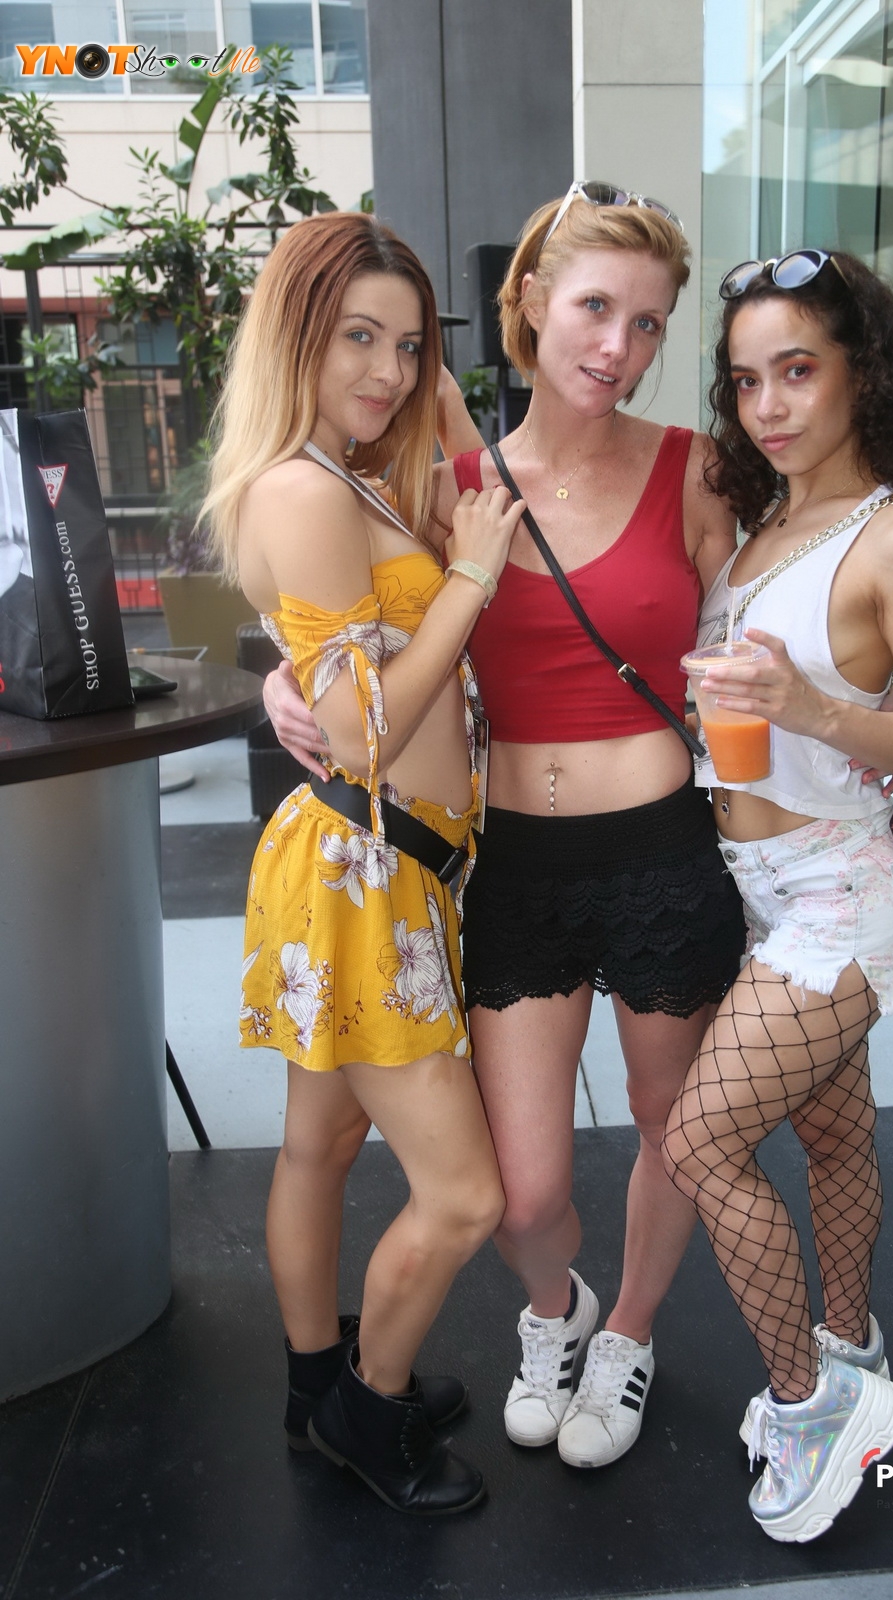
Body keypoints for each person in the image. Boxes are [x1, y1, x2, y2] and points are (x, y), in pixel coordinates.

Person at [263, 182, 748, 1470]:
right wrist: (274, 680)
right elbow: (335, 606)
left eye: (649, 323)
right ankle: (555, 1310)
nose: (618, 346)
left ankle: (628, 1332)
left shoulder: (692, 469)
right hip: (515, 863)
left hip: (662, 854)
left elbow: (765, 620)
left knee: (668, 1127)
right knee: (522, 1192)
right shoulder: (449, 490)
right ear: (531, 303)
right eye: (595, 308)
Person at [203, 210, 527, 1515]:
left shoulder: (351, 473)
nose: (389, 371)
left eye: (408, 343)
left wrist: (439, 391)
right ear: (297, 335)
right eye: (357, 338)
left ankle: (310, 1388)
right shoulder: (302, 487)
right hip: (364, 869)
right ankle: (366, 1410)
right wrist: (473, 579)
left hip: (391, 863)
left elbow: (462, 468)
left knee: (319, 1146)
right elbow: (361, 730)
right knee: (464, 1197)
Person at [660, 249, 893, 1542]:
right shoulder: (760, 532)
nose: (771, 406)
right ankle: (852, 1343)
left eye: (798, 370)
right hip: (762, 884)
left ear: (863, 372)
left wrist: (812, 707)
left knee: (700, 1143)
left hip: (847, 887)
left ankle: (810, 1406)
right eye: (748, 381)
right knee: (832, 1136)